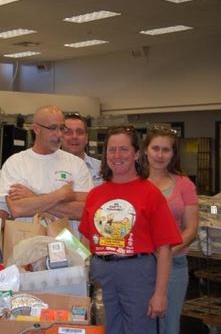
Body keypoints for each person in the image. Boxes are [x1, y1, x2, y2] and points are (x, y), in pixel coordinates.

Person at [79, 125, 183, 334]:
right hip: (101, 273)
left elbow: (164, 249)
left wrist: (160, 294)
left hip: (138, 273)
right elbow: (85, 240)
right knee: (103, 329)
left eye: (124, 149)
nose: (117, 156)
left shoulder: (150, 193)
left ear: (136, 154)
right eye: (112, 149)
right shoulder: (95, 194)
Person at [140, 126, 199, 334]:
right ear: (146, 150)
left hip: (175, 266)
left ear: (173, 154)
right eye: (155, 148)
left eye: (166, 150)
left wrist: (166, 253)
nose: (160, 154)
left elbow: (191, 228)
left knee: (169, 326)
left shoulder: (184, 185)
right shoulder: (133, 183)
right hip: (139, 266)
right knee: (140, 324)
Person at [0, 106, 92, 229]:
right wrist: (60, 195)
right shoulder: (15, 163)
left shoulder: (77, 164)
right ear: (36, 129)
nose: (58, 134)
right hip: (28, 245)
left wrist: (33, 197)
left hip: (66, 246)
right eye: (52, 128)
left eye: (62, 128)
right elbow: (17, 209)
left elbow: (82, 211)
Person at [62, 112, 103, 186]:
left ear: (86, 138)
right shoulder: (49, 167)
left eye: (79, 132)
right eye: (68, 132)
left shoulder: (101, 168)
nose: (74, 137)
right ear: (60, 137)